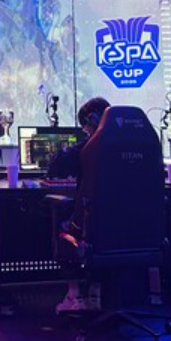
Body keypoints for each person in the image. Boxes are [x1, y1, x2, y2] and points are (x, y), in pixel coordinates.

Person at [56, 97, 111, 314]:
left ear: (93, 120)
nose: (85, 132)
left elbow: (57, 164)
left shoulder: (87, 148)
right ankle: (96, 294)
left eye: (85, 127)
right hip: (133, 231)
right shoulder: (139, 144)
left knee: (63, 222)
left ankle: (75, 296)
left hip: (93, 228)